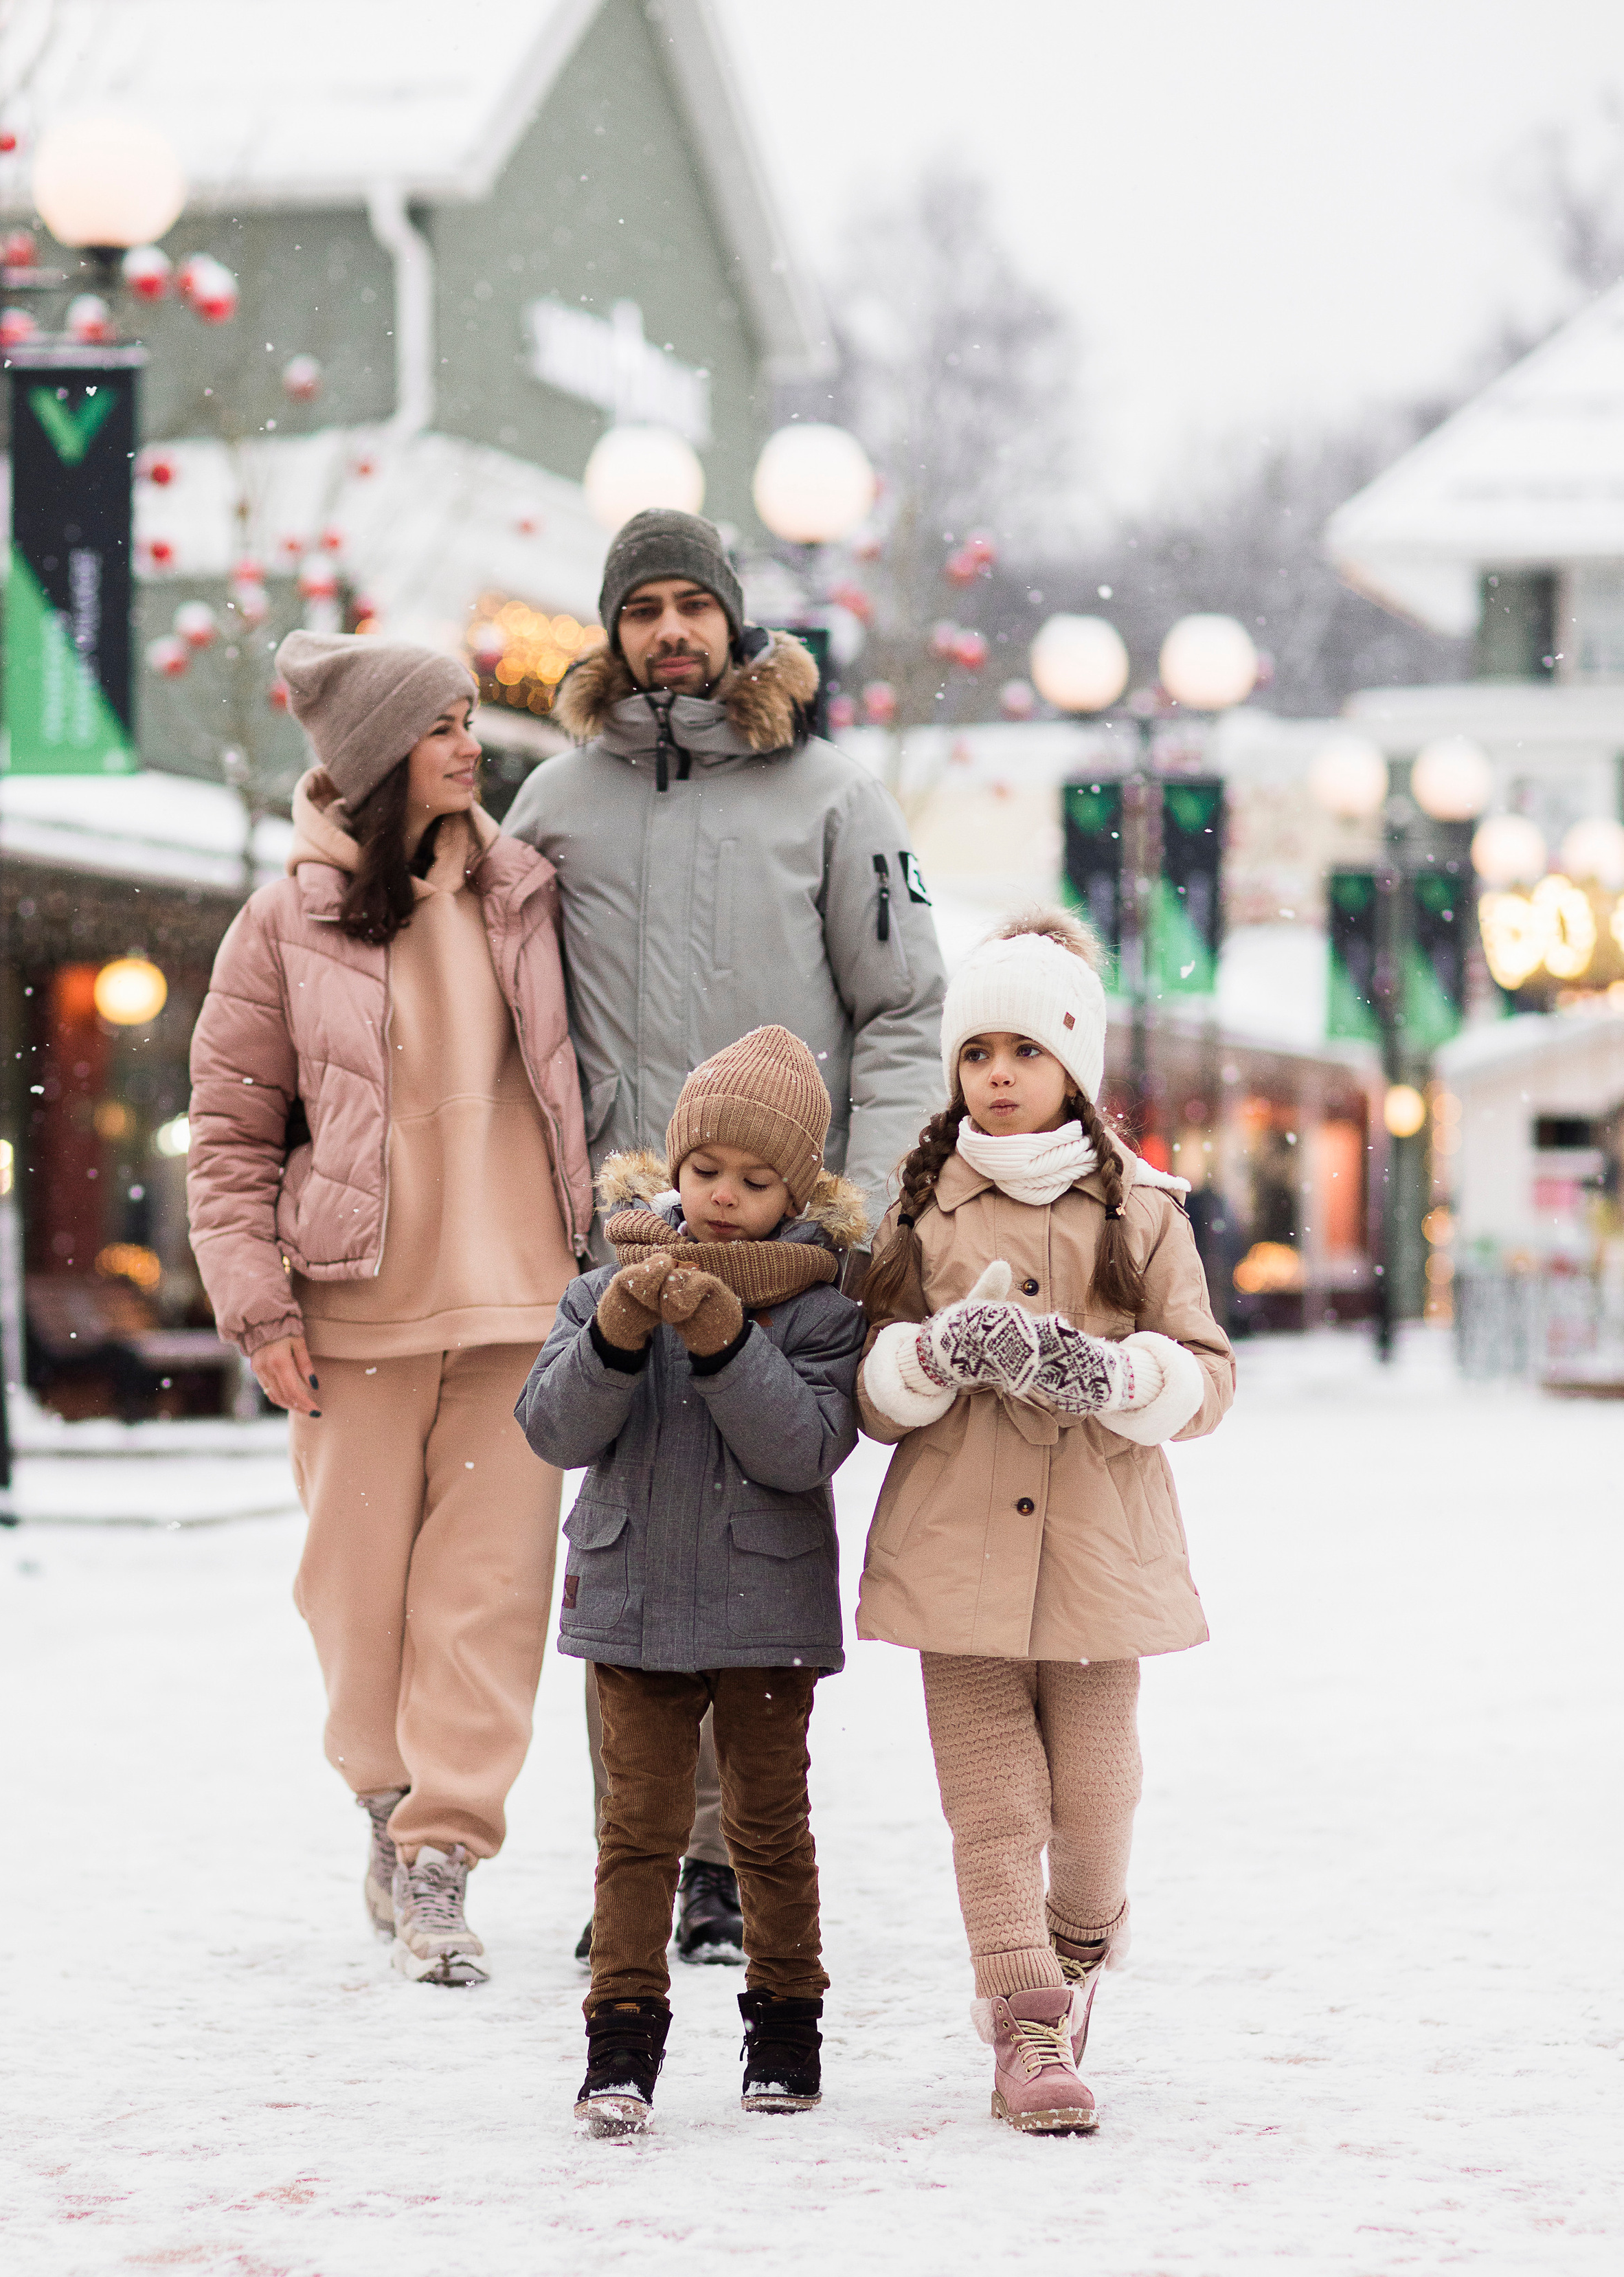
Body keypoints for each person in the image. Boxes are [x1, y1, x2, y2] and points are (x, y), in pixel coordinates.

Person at [506, 507, 944, 1961]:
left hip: (782, 1238)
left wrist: (868, 1203)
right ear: (612, 632)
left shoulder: (831, 796)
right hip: (622, 1232)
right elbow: (503, 1006)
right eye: (642, 610)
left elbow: (903, 1008)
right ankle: (638, 1861)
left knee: (751, 1532)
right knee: (626, 1540)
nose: (670, 631)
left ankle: (723, 1864)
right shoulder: (555, 802)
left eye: (692, 604)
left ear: (736, 619)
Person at [188, 631, 591, 1986]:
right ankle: (383, 1800)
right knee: (353, 1599)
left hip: (519, 1306)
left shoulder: (523, 892)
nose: (470, 746)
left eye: (470, 719)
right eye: (441, 725)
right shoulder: (282, 921)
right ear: (375, 756)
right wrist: (257, 1309)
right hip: (350, 1312)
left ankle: (443, 1853)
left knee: (487, 1597)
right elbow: (231, 1130)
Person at [853, 912, 1234, 2133]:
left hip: (1099, 1553)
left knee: (1098, 1797)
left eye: (1026, 1050)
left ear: (1075, 1065)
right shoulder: (922, 1208)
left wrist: (1112, 1375)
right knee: (995, 1805)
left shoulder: (1144, 1212)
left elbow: (1208, 1378)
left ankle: (1078, 1940)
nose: (999, 1074)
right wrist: (930, 1356)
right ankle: (1026, 2023)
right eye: (977, 1052)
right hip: (954, 1551)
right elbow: (868, 1387)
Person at [515, 1027, 866, 2135]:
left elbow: (804, 1449)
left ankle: (787, 2029)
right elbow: (552, 1430)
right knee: (636, 1831)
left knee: (769, 1830)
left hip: (766, 1614)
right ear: (674, 1168)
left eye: (757, 1181)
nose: (724, 1196)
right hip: (634, 1604)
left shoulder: (823, 1311)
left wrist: (726, 1343)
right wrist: (617, 1337)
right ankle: (619, 2044)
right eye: (706, 1169)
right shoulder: (604, 1288)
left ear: (797, 1194)